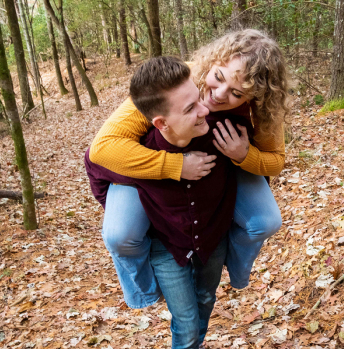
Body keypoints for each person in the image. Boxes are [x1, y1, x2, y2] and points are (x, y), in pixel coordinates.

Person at [85, 56, 253, 349]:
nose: (205, 107)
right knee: (186, 319)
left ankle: (196, 346)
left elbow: (265, 155)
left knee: (206, 301)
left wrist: (245, 153)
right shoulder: (139, 150)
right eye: (192, 107)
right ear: (161, 122)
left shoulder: (223, 130)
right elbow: (96, 169)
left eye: (200, 97)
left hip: (213, 240)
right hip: (167, 247)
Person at [88, 29, 289, 310]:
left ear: (255, 94)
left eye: (237, 93)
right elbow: (103, 147)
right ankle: (146, 292)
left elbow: (276, 160)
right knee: (119, 235)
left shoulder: (263, 107)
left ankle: (228, 264)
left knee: (265, 222)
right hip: (151, 159)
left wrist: (244, 155)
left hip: (228, 160)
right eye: (218, 78)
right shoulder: (177, 80)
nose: (219, 95)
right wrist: (175, 165)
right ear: (213, 61)